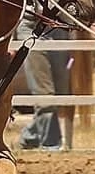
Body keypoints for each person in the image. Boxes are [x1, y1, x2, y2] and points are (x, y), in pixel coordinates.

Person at [17, 17, 70, 150]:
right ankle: (51, 145)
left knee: (60, 93)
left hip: (59, 29)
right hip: (33, 30)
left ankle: (30, 136)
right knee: (44, 93)